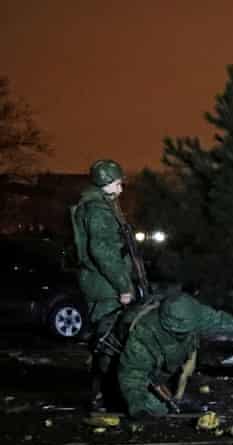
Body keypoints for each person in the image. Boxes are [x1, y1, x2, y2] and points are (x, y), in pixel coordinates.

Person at [70, 159, 141, 407]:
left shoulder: (102, 205)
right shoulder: (98, 210)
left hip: (102, 282)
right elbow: (103, 252)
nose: (121, 189)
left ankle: (104, 392)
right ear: (106, 183)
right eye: (118, 183)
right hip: (105, 285)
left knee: (107, 338)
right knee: (107, 339)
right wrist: (123, 286)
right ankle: (102, 394)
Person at [117, 293, 233, 418]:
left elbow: (215, 320)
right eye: (182, 332)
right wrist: (147, 406)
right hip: (147, 369)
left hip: (172, 360)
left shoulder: (191, 313)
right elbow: (132, 377)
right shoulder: (143, 337)